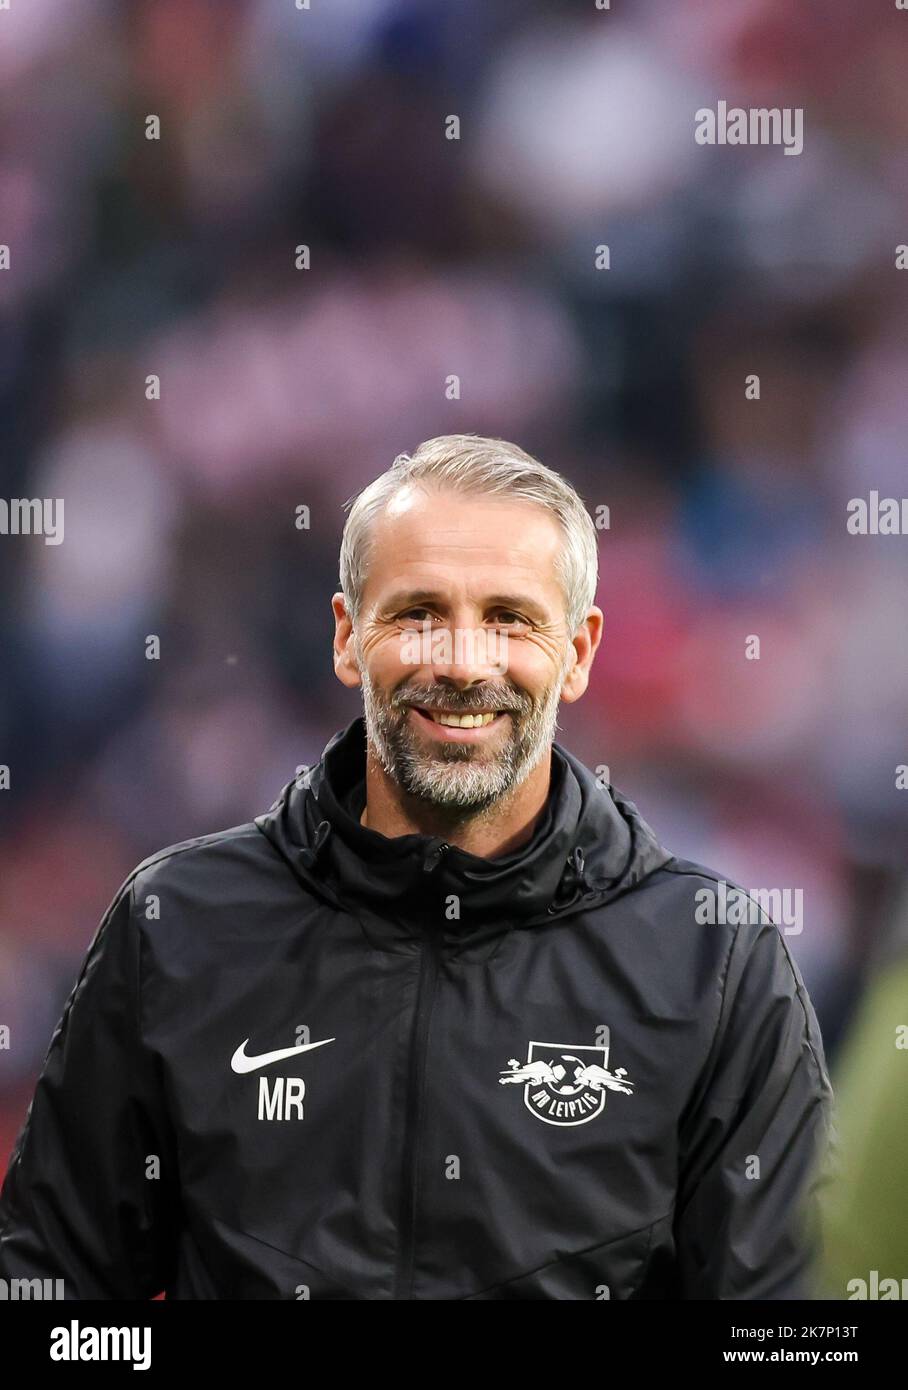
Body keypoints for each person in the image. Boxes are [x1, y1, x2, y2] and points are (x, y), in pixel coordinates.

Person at [0, 434, 834, 1300]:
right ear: (347, 637)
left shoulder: (714, 961)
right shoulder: (178, 925)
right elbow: (51, 1295)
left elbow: (785, 1332)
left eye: (510, 619)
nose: (463, 663)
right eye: (418, 614)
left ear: (579, 652)